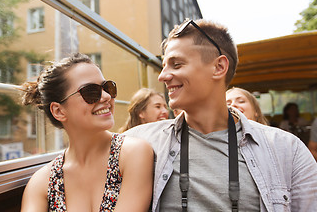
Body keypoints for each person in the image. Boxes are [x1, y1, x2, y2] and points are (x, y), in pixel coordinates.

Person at [124, 18, 317, 211]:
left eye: (176, 64)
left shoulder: (287, 150)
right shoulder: (138, 143)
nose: (162, 76)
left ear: (219, 67)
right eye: (164, 65)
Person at [20, 53, 153, 212]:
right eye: (90, 92)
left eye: (107, 87)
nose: (106, 96)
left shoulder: (134, 153)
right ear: (59, 111)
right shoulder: (42, 182)